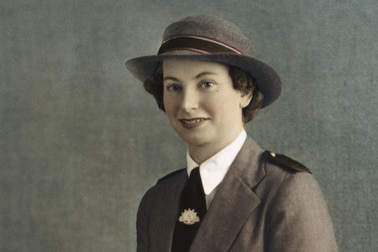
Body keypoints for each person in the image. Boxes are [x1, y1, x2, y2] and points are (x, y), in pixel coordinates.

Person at [126, 14, 338, 252]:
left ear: (244, 92)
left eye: (206, 84)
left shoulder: (286, 189)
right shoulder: (157, 201)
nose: (186, 104)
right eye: (174, 87)